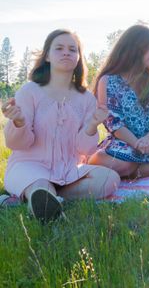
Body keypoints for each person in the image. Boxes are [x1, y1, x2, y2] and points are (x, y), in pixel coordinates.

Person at [1, 29, 120, 222]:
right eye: (59, 48)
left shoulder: (87, 99)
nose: (66, 52)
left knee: (110, 179)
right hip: (29, 167)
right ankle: (42, 198)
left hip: (69, 171)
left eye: (72, 49)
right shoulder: (29, 91)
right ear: (47, 56)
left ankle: (43, 199)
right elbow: (17, 145)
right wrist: (19, 122)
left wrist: (92, 124)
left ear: (79, 58)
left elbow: (85, 149)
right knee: (40, 184)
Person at [88, 24, 149, 178]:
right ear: (134, 47)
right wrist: (136, 143)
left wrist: (148, 140)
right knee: (121, 162)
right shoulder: (108, 80)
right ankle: (129, 169)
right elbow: (113, 122)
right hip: (123, 142)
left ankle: (131, 172)